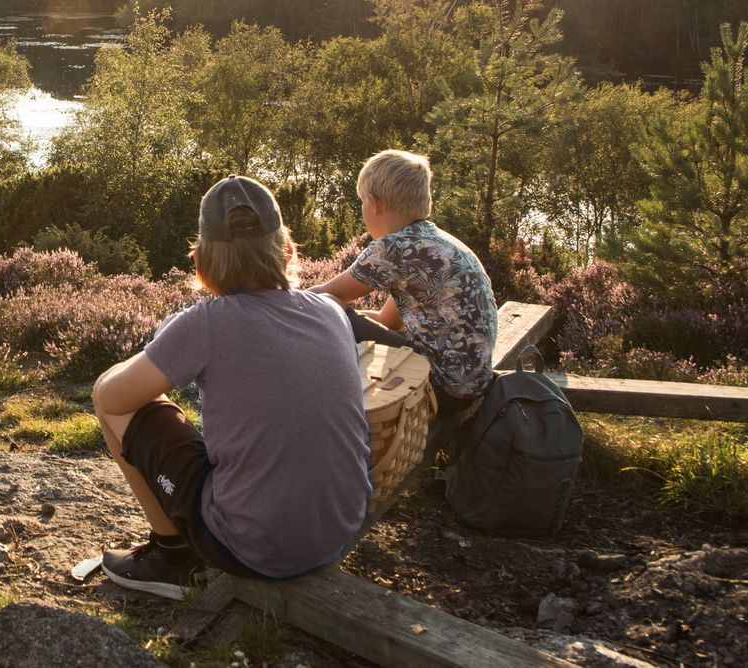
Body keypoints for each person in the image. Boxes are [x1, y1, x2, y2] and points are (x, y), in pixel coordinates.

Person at [91, 175, 373, 599]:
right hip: (340, 533)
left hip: (253, 548)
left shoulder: (205, 323)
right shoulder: (330, 310)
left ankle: (171, 556)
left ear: (201, 261)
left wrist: (166, 341)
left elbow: (112, 397)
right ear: (288, 249)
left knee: (108, 395)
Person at [310, 149, 499, 418]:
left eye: (362, 202)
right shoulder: (437, 243)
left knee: (329, 309)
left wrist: (270, 302)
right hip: (470, 386)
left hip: (439, 388)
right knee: (344, 316)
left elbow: (320, 297)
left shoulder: (394, 247)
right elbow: (388, 322)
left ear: (374, 203)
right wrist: (362, 320)